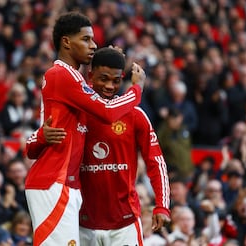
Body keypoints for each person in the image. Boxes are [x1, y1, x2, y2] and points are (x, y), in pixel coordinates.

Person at [24, 12, 145, 245]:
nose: (93, 44)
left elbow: (32, 146)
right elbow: (107, 111)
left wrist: (109, 60)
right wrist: (136, 89)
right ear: (66, 42)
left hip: (64, 183)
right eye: (86, 39)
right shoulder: (61, 75)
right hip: (54, 182)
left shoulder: (73, 79)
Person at [40, 47, 170, 245]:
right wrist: (42, 136)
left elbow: (156, 162)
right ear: (90, 76)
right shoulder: (76, 112)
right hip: (82, 224)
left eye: (116, 81)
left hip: (124, 224)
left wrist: (162, 206)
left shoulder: (135, 115)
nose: (109, 86)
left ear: (122, 78)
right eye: (103, 79)